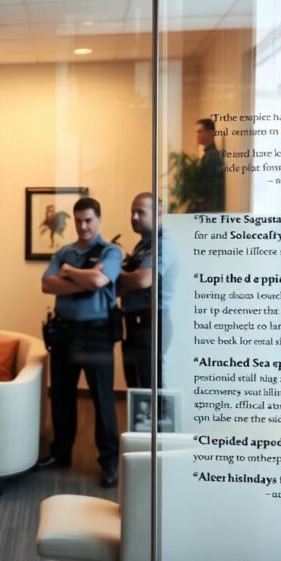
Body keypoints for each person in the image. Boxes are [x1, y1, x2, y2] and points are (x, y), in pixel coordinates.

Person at [37, 197, 123, 488]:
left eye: (88, 220)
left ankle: (109, 462)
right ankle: (60, 453)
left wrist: (70, 273)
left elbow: (100, 282)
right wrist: (86, 276)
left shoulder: (111, 251)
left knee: (102, 400)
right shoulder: (64, 251)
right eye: (78, 220)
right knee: (61, 396)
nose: (83, 225)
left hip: (96, 333)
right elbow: (47, 284)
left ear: (98, 220)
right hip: (63, 332)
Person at [118, 192, 176, 389]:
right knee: (137, 388)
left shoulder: (163, 243)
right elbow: (126, 284)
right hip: (135, 324)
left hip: (151, 323)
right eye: (132, 212)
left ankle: (158, 421)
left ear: (159, 214)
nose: (134, 217)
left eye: (140, 213)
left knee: (150, 388)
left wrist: (117, 273)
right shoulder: (142, 245)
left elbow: (143, 279)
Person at [195, 117, 226, 212]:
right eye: (197, 132)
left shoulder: (212, 157)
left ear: (211, 133)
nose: (197, 135)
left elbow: (211, 190)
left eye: (200, 132)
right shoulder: (208, 155)